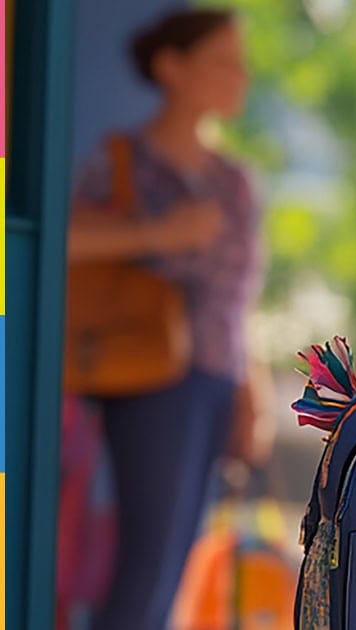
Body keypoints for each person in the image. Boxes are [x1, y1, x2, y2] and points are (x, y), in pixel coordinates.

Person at [66, 9, 266, 629]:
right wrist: (159, 232)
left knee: (177, 561)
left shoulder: (234, 181)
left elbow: (238, 302)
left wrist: (249, 387)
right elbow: (62, 241)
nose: (240, 76)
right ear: (170, 68)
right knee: (146, 562)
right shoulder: (124, 161)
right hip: (152, 376)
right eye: (222, 62)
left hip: (214, 380)